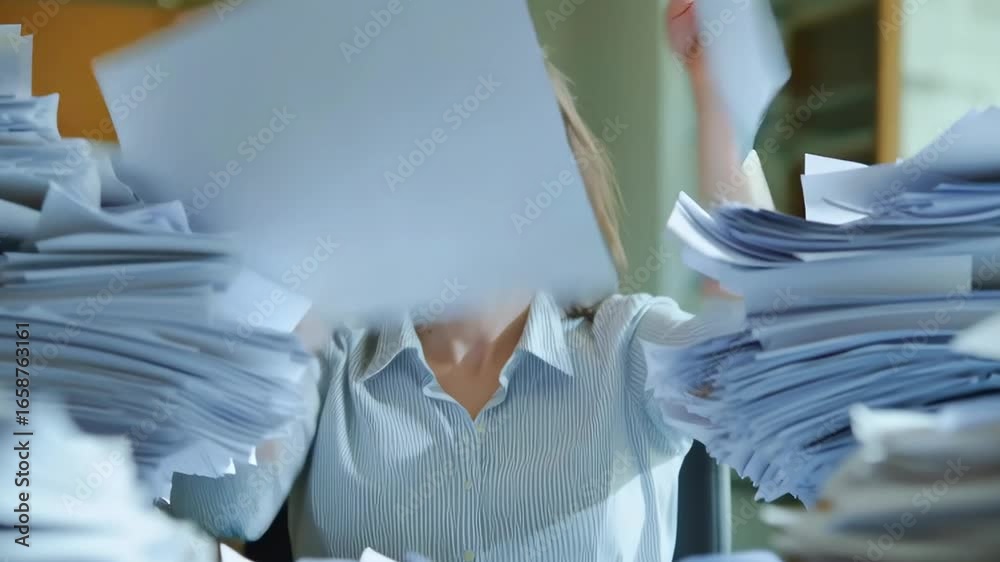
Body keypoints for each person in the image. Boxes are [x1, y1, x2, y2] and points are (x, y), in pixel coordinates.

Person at [169, 1, 772, 560]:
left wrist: (717, 98)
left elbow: (762, 367)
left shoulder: (627, 346)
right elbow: (223, 509)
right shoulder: (329, 357)